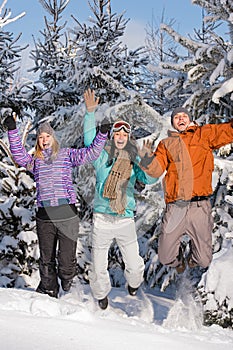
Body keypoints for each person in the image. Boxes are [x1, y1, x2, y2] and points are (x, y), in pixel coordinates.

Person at [4, 112, 108, 298]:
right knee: (46, 259)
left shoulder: (67, 155)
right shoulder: (34, 160)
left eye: (47, 136)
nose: (44, 140)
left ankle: (67, 280)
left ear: (53, 137)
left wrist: (101, 134)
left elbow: (91, 153)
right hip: (44, 214)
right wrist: (12, 129)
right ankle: (48, 291)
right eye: (41, 137)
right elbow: (19, 155)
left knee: (66, 261)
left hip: (67, 214)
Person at [83, 89, 157, 310]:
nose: (121, 137)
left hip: (125, 219)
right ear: (113, 137)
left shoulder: (134, 160)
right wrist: (90, 113)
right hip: (102, 219)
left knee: (135, 267)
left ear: (129, 137)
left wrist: (148, 160)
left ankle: (133, 285)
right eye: (117, 134)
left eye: (125, 135)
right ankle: (101, 295)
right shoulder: (102, 156)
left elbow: (150, 178)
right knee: (98, 267)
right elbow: (89, 141)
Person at [140, 107, 233, 273]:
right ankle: (179, 261)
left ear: (190, 119)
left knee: (204, 260)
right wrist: (147, 158)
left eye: (184, 116)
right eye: (176, 117)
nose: (181, 119)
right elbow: (155, 170)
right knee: (165, 257)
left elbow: (228, 131)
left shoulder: (204, 134)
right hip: (176, 207)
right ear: (173, 122)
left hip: (199, 207)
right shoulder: (166, 144)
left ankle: (192, 258)